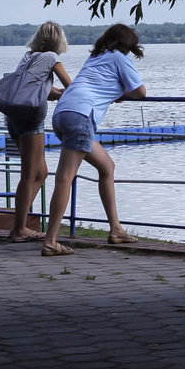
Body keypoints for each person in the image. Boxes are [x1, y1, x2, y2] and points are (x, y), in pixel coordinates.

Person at [41, 24, 146, 256]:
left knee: (106, 166)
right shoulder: (120, 58)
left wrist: (114, 93)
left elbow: (97, 85)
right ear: (127, 45)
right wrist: (121, 94)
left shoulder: (96, 58)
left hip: (62, 113)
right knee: (64, 178)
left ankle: (116, 229)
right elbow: (140, 92)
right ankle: (50, 241)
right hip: (81, 116)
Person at [3, 22, 73, 243]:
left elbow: (28, 86)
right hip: (31, 122)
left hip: (13, 117)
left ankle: (20, 222)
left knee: (41, 173)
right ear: (58, 40)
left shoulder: (28, 56)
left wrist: (51, 92)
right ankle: (18, 229)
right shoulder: (52, 58)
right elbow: (70, 85)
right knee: (28, 176)